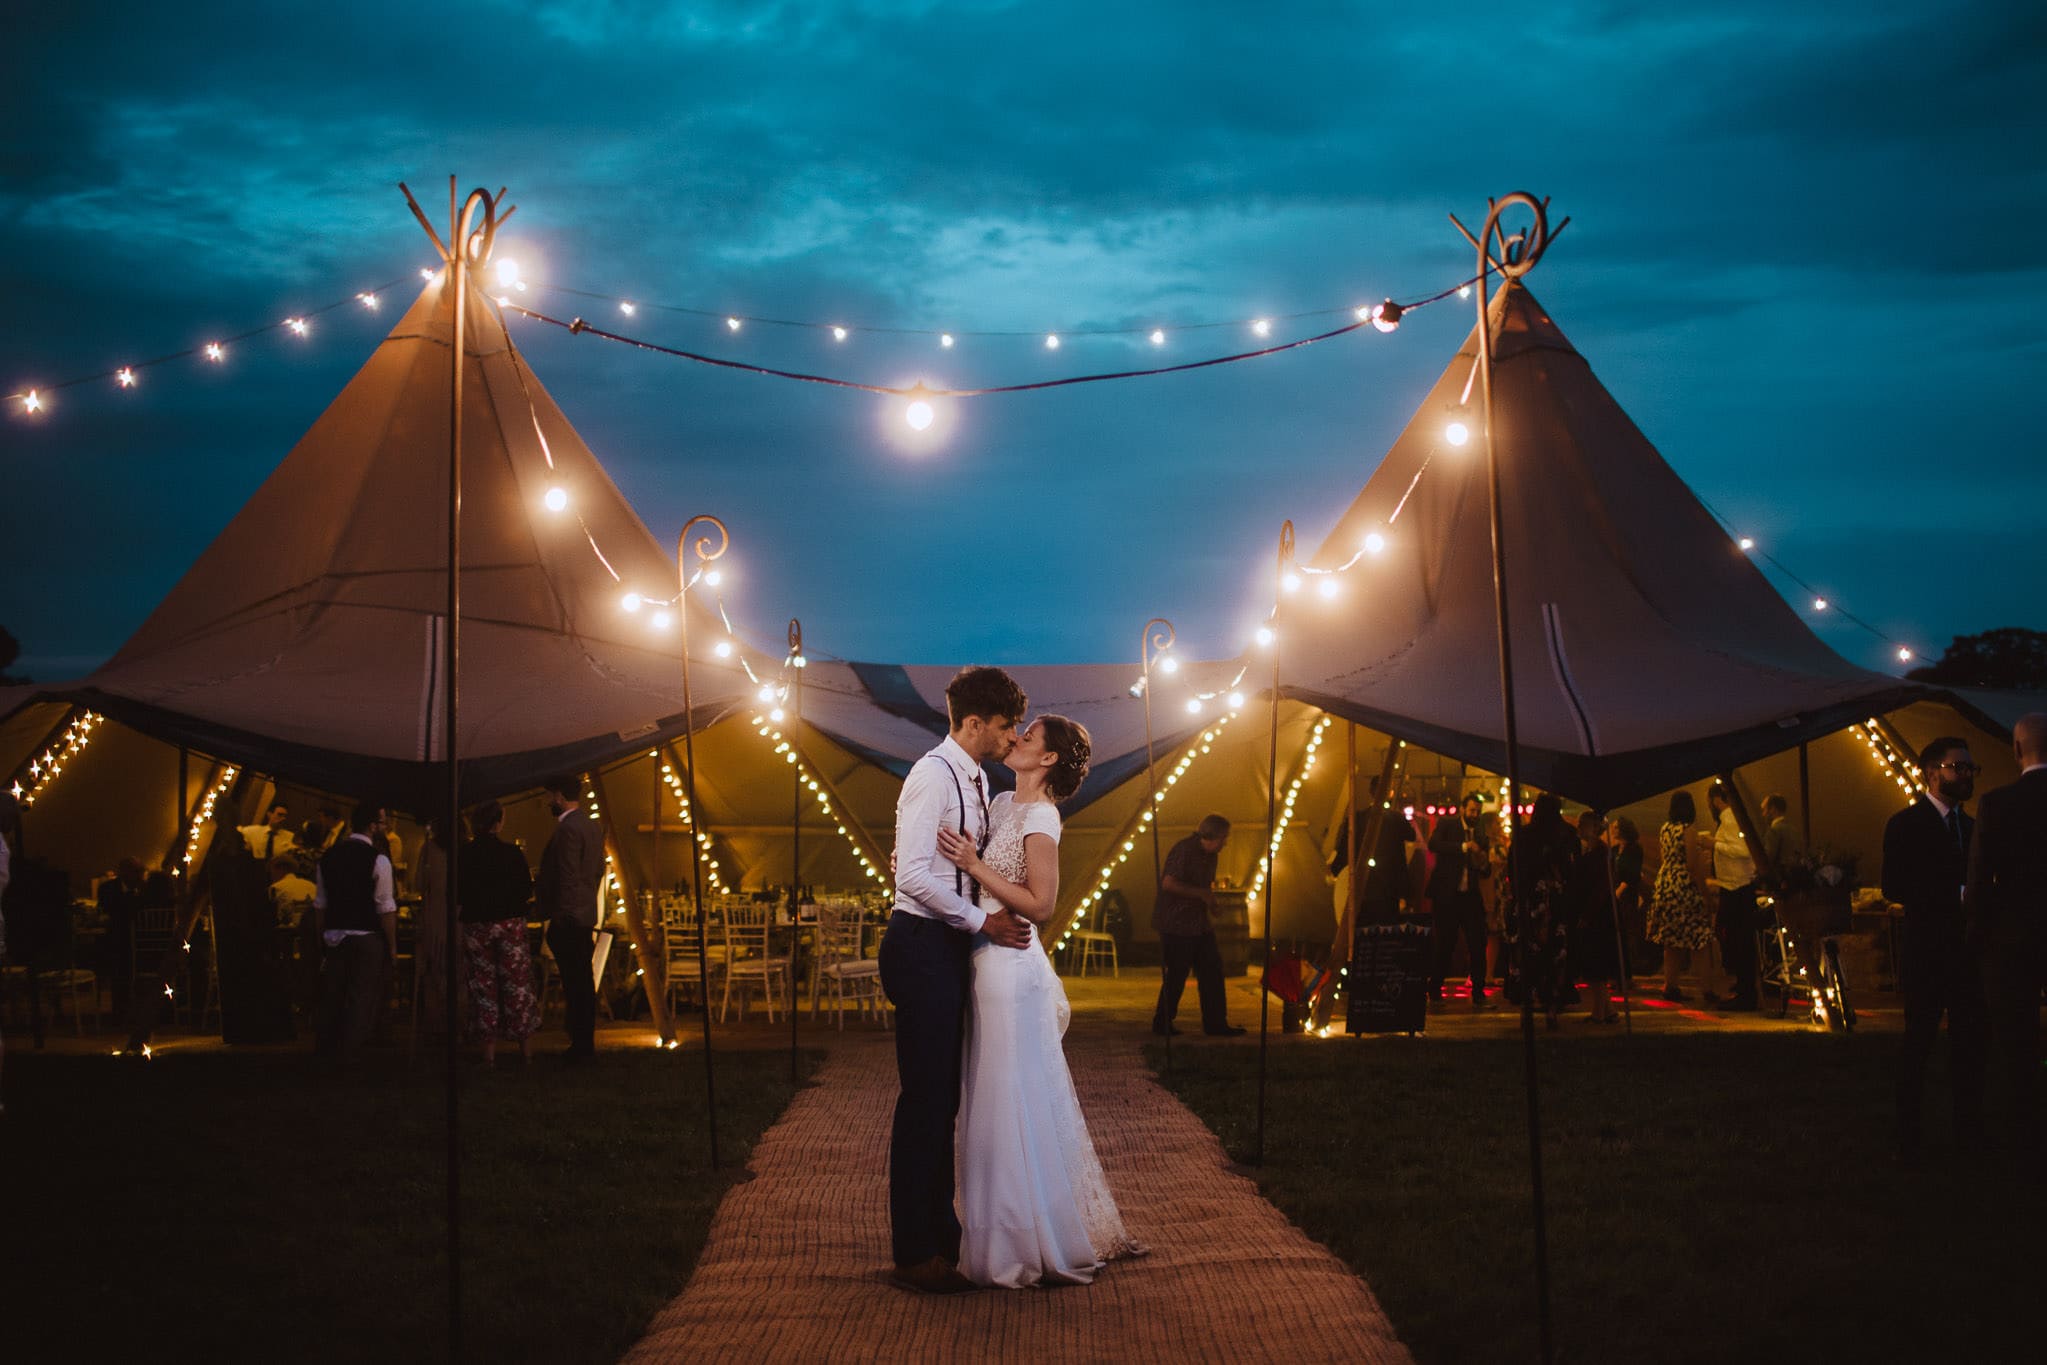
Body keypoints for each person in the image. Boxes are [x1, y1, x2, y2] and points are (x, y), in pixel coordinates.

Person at [934, 714, 1143, 1287]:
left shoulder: (1042, 816)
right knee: (989, 1098)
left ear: (1048, 759)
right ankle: (1001, 1230)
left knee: (1011, 1098)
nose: (1017, 738)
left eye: (1029, 736)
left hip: (1011, 967)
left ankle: (1022, 1243)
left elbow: (1042, 904)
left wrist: (975, 866)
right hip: (981, 960)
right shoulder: (1000, 802)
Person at [878, 666, 1036, 1295]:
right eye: (1004, 727)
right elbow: (912, 876)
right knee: (926, 1103)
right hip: (920, 947)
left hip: (945, 947)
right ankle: (915, 1254)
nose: (1010, 737)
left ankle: (941, 1241)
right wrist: (983, 921)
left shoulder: (974, 779)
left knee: (943, 1100)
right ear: (974, 723)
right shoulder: (930, 775)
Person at [1884, 736, 1986, 1166]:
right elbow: (1893, 886)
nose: (1964, 775)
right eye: (1956, 767)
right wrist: (1949, 895)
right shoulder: (1906, 823)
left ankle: (1968, 1137)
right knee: (1918, 1045)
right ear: (1932, 772)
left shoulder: (1973, 827)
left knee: (1970, 1047)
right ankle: (1909, 1140)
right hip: (1927, 949)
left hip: (1966, 954)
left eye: (1968, 768)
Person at [1966, 712, 2047, 1156]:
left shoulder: (1996, 804)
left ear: (2016, 750)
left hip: (2013, 939)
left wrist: (1976, 940)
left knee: (2017, 1042)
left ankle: (2027, 1137)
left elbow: (1979, 881)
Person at [313, 802, 398, 1058]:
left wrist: (321, 939)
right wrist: (392, 946)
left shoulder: (328, 857)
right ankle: (352, 1049)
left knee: (334, 993)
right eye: (382, 823)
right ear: (373, 826)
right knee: (361, 995)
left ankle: (329, 1046)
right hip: (366, 935)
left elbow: (321, 905)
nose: (384, 828)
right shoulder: (378, 860)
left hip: (335, 934)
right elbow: (386, 908)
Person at [1150, 814, 1244, 1037]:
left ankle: (1216, 1024)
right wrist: (1201, 894)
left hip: (1199, 924)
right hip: (1176, 923)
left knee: (1212, 971)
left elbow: (1204, 888)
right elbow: (1168, 883)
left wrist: (1210, 903)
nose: (1225, 843)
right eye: (1224, 838)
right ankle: (1162, 1023)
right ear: (1212, 836)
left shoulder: (1211, 857)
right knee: (1177, 974)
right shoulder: (1184, 850)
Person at [460, 800, 538, 1066]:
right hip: (509, 922)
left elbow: (458, 891)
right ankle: (525, 1050)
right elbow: (526, 890)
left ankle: (489, 1054)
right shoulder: (512, 853)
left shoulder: (465, 854)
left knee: (484, 987)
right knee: (517, 984)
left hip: (476, 924)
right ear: (499, 822)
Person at [536, 776, 606, 1060]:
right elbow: (598, 869)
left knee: (574, 981)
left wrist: (561, 914)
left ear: (560, 797)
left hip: (570, 917)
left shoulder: (567, 830)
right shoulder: (592, 826)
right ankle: (583, 1039)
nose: (549, 802)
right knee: (584, 980)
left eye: (551, 796)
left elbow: (566, 875)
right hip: (586, 912)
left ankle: (580, 1043)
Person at [1426, 794, 1494, 1010]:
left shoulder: (1481, 833)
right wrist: (1464, 847)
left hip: (1470, 896)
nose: (1475, 815)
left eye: (1477, 811)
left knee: (1478, 943)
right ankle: (1434, 990)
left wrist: (1482, 863)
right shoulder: (1448, 824)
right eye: (1472, 810)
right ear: (1463, 809)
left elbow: (1485, 869)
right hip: (1447, 895)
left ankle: (1479, 993)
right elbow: (1434, 844)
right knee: (1445, 943)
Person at [1648, 790, 1714, 1001]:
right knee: (1699, 939)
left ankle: (1671, 985)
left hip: (1665, 883)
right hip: (1684, 887)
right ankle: (1707, 989)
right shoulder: (1688, 830)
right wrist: (1705, 893)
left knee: (1671, 941)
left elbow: (1663, 857)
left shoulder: (1665, 829)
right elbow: (1692, 864)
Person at [1701, 784, 1760, 1011]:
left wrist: (1713, 844)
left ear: (1716, 800)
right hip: (1733, 885)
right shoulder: (1733, 818)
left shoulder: (1730, 819)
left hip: (1737, 887)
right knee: (1733, 936)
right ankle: (1743, 985)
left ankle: (1746, 993)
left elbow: (1743, 850)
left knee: (1736, 938)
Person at [1329, 782, 1417, 926]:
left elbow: (1345, 849)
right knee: (1387, 930)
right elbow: (1412, 836)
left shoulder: (1357, 818)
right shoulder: (1396, 819)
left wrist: (1335, 869)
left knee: (1365, 930)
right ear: (1390, 794)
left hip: (1363, 885)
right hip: (1390, 887)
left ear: (1371, 792)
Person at [1570, 811, 1622, 1023]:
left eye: (1583, 824)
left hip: (1598, 915)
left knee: (1595, 965)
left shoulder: (1600, 853)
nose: (1579, 828)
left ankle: (1598, 1012)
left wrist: (1587, 914)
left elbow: (1600, 887)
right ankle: (1607, 1010)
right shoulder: (1592, 851)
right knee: (1593, 964)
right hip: (1594, 912)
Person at [97, 856, 149, 1020]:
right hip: (117, 937)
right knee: (119, 969)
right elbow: (110, 910)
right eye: (135, 872)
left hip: (143, 938)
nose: (138, 876)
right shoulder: (108, 888)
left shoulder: (145, 889)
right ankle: (120, 1010)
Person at [1761, 794, 1805, 881]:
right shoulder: (1793, 830)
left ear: (1772, 809)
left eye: (1764, 810)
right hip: (1793, 880)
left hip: (1778, 880)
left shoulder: (1773, 831)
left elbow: (1768, 859)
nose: (1763, 814)